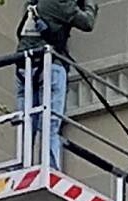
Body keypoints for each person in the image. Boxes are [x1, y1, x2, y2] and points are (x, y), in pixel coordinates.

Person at [15, 0, 98, 169]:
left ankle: (22, 163)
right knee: (50, 122)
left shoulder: (33, 4)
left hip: (24, 67)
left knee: (27, 121)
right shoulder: (59, 2)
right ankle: (50, 166)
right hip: (49, 67)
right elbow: (87, 23)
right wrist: (89, 4)